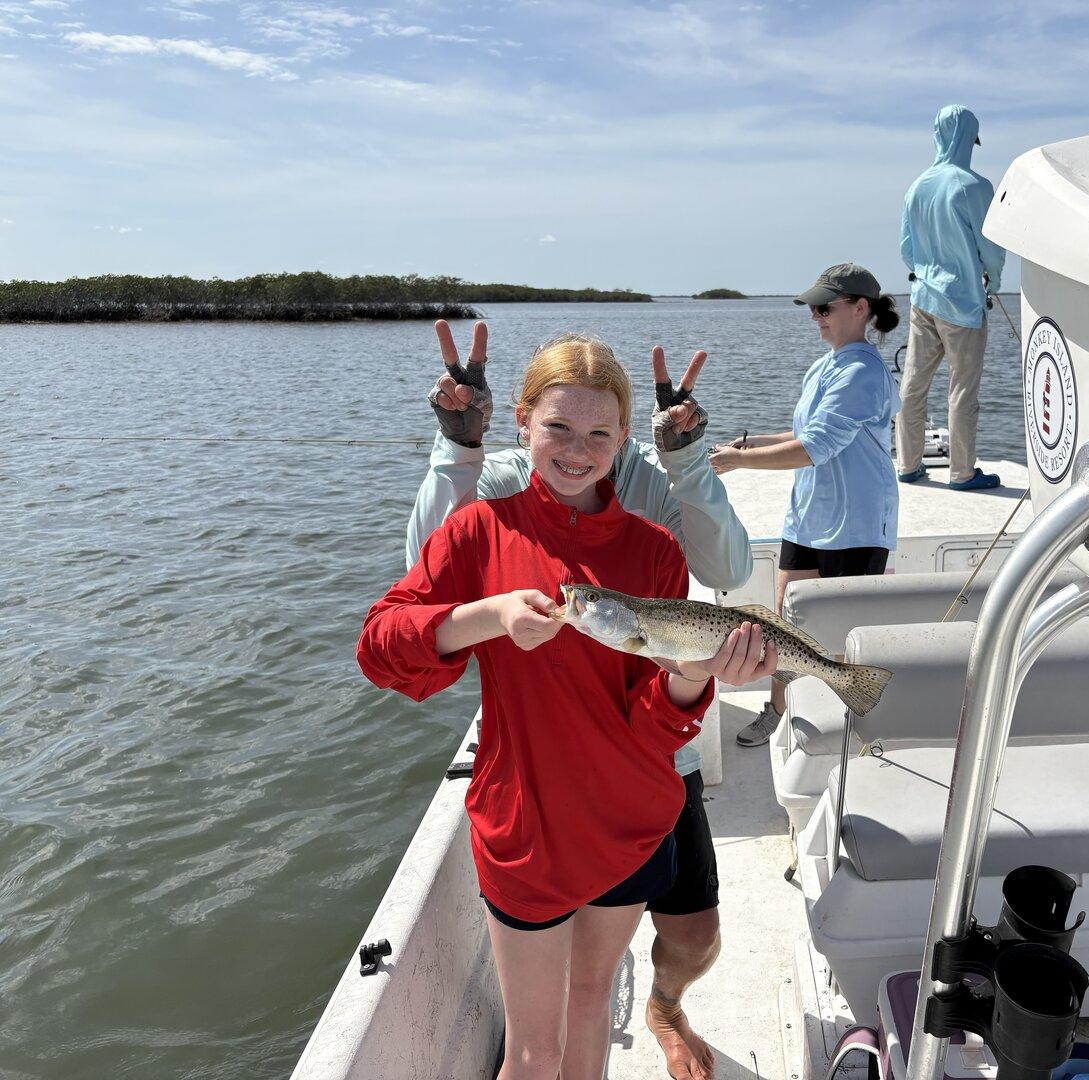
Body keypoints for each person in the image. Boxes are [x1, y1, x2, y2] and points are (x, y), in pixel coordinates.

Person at [360, 330, 776, 1080]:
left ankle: (665, 1008)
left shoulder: (654, 547)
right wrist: (485, 616)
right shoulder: (481, 525)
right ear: (521, 422)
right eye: (557, 427)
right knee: (533, 1050)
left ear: (625, 438)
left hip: (633, 815)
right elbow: (384, 644)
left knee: (590, 1003)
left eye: (598, 433)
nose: (577, 449)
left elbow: (657, 718)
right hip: (528, 826)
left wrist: (691, 678)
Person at [709, 263, 900, 747]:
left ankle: (856, 721)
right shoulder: (826, 364)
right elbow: (803, 434)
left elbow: (819, 447)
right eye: (812, 308)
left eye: (824, 307)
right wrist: (753, 444)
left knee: (846, 630)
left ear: (861, 308)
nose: (815, 316)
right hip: (809, 518)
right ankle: (778, 710)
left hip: (855, 525)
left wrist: (739, 464)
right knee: (784, 623)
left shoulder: (863, 371)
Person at [897, 104, 1008, 491]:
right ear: (969, 140)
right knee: (961, 390)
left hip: (922, 300)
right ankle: (962, 472)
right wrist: (992, 281)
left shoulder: (917, 186)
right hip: (962, 303)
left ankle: (908, 465)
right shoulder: (975, 186)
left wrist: (926, 273)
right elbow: (991, 249)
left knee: (913, 386)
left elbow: (907, 248)